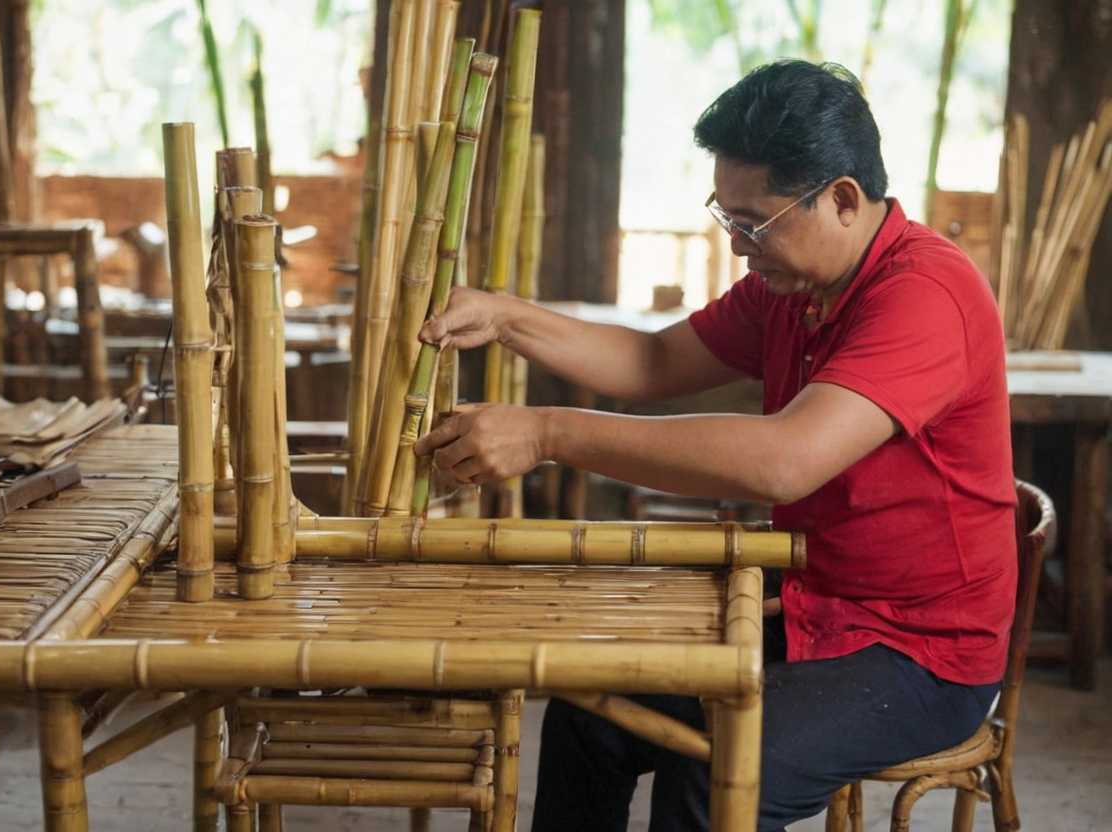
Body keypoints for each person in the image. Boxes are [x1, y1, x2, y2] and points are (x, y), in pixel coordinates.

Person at [413, 59, 1017, 831]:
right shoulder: (794, 288)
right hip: (810, 605)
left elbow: (785, 459)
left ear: (842, 199)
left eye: (753, 223)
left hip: (920, 651)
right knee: (590, 712)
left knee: (716, 770)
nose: (737, 246)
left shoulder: (924, 294)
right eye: (726, 218)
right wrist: (507, 317)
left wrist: (546, 431)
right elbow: (652, 361)